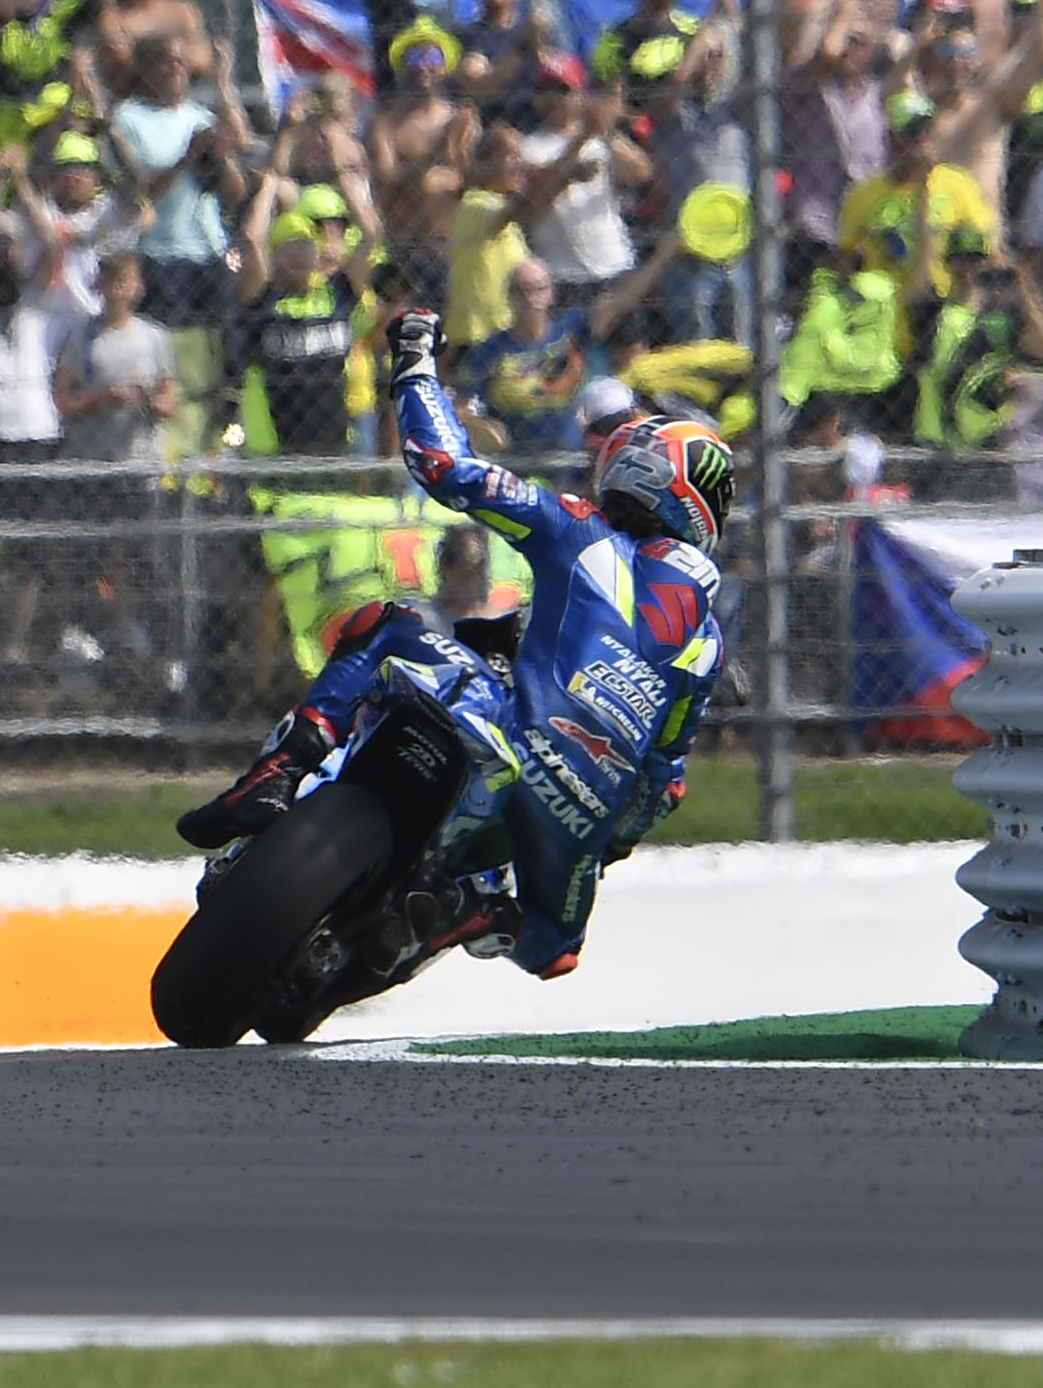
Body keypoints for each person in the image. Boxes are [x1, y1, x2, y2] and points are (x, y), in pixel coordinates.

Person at [179, 312, 731, 981]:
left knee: (385, 625)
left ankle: (275, 775)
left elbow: (443, 464)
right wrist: (603, 845)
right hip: (579, 821)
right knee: (549, 947)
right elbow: (664, 780)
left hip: (511, 735)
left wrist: (412, 362)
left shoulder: (579, 529)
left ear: (633, 470)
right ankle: (466, 905)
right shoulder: (705, 638)